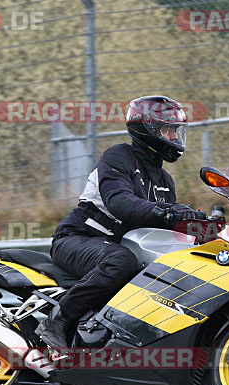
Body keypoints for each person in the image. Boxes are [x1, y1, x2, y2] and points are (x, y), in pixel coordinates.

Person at [36, 95, 207, 348]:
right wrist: (167, 213)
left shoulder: (164, 180)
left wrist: (197, 224)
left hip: (116, 246)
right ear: (148, 130)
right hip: (78, 238)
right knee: (122, 262)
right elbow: (120, 202)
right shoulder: (118, 156)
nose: (174, 138)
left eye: (176, 131)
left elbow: (163, 227)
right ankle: (58, 320)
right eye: (168, 130)